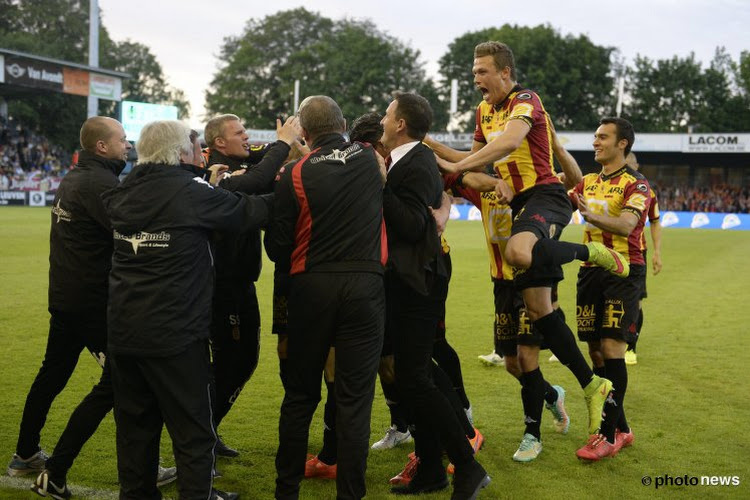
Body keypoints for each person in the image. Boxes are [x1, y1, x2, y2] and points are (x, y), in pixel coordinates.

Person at [429, 41, 621, 435]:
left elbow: (511, 142)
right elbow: (476, 156)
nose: (475, 78)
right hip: (519, 209)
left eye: (482, 71)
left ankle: (591, 250)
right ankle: (591, 383)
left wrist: (456, 164)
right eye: (474, 72)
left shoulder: (526, 100)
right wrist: (426, 142)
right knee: (539, 311)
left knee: (518, 252)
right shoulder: (484, 111)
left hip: (545, 196)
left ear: (504, 72)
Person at [102, 120, 272, 500]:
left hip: (125, 334)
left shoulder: (122, 191)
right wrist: (302, 188)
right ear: (180, 153)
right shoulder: (189, 192)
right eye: (192, 149)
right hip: (175, 335)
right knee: (194, 434)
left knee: (135, 434)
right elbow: (250, 212)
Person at [267, 96, 387, 500]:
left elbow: (277, 247)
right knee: (354, 400)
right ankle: (350, 494)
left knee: (300, 395)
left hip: (311, 287)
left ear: (303, 132)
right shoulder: (371, 158)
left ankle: (287, 492)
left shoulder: (293, 173)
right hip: (366, 287)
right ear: (344, 122)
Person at [8, 117, 130, 484]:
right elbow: (128, 234)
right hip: (92, 303)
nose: (128, 146)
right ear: (102, 147)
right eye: (122, 140)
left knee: (52, 375)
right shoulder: (100, 183)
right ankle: (139, 467)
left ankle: (25, 453)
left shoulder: (76, 176)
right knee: (125, 380)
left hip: (66, 296)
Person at [381, 92, 489, 499]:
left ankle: (466, 465)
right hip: (408, 282)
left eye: (388, 114)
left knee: (415, 378)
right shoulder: (408, 161)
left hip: (417, 283)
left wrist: (380, 186)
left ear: (401, 124)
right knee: (414, 377)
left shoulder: (416, 163)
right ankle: (430, 471)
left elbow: (411, 225)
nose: (384, 120)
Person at [202, 113, 300, 457]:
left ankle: (206, 435)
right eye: (239, 132)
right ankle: (200, 439)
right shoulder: (217, 172)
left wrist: (285, 141)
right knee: (232, 363)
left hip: (241, 284)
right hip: (222, 288)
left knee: (241, 362)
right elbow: (256, 180)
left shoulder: (241, 161)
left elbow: (266, 158)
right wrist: (283, 142)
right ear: (219, 143)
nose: (247, 137)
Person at [571, 118, 651, 460]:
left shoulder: (637, 185)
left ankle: (606, 435)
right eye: (595, 136)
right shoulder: (587, 181)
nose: (595, 142)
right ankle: (622, 428)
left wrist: (591, 217)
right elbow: (552, 181)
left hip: (624, 271)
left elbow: (627, 223)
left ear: (623, 144)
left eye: (603, 137)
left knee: (612, 347)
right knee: (596, 352)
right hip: (591, 270)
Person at [624, 152, 662, 365]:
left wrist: (657, 252)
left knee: (634, 301)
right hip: (608, 252)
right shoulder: (610, 186)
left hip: (636, 253)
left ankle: (631, 346)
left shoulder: (648, 192)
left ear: (637, 166)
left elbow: (655, 221)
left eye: (632, 165)